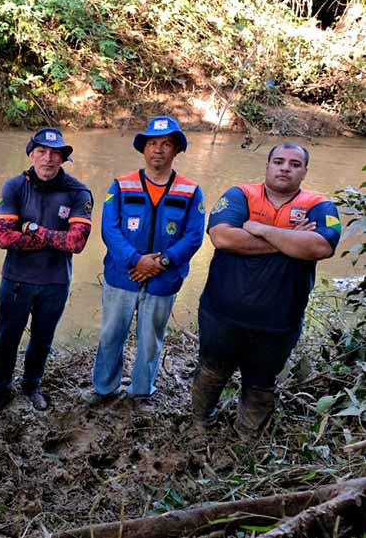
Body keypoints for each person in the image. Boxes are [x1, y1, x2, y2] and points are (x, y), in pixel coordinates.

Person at [191, 142, 340, 440]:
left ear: (305, 171)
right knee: (211, 369)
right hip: (222, 312)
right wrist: (290, 241)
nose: (285, 168)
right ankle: (199, 421)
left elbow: (321, 246)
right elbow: (223, 237)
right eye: (279, 161)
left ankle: (246, 438)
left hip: (279, 320)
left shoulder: (320, 205)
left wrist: (261, 229)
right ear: (268, 166)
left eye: (295, 164)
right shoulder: (240, 195)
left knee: (261, 382)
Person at [85, 116, 205, 404]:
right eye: (152, 143)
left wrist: (161, 262)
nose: (158, 150)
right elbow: (109, 229)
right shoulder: (121, 185)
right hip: (121, 275)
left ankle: (141, 391)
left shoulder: (190, 190)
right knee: (111, 334)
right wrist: (136, 260)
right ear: (143, 149)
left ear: (176, 151)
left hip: (163, 280)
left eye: (166, 144)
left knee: (151, 340)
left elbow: (194, 236)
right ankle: (104, 388)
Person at [0, 127, 93, 411]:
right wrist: (53, 239)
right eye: (41, 152)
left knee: (42, 341)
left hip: (55, 283)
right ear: (32, 155)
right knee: (7, 339)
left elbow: (76, 243)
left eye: (55, 153)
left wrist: (34, 229)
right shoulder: (14, 186)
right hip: (16, 281)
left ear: (63, 158)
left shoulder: (77, 191)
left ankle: (31, 386)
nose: (47, 159)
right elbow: (4, 238)